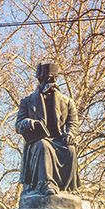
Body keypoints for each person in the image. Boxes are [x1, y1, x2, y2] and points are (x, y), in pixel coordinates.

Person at [15, 63, 81, 199]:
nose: (51, 81)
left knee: (70, 149)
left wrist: (70, 133)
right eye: (47, 78)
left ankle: (69, 188)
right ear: (40, 79)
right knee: (43, 145)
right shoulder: (27, 101)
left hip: (59, 140)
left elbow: (73, 123)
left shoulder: (67, 102)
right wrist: (28, 122)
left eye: (53, 78)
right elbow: (18, 125)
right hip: (37, 142)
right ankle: (45, 184)